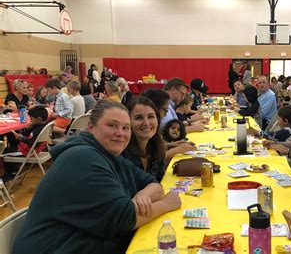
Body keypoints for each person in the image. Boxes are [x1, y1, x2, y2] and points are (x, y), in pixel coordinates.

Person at [12, 100, 182, 253]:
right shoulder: (81, 158)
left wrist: (143, 195)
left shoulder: (109, 155)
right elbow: (124, 218)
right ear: (91, 127)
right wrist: (167, 204)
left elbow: (152, 183)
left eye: (125, 127)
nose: (120, 133)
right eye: (112, 125)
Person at [121, 96, 167, 182]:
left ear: (157, 120)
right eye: (138, 118)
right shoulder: (122, 154)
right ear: (128, 122)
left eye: (150, 117)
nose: (146, 123)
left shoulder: (157, 149)